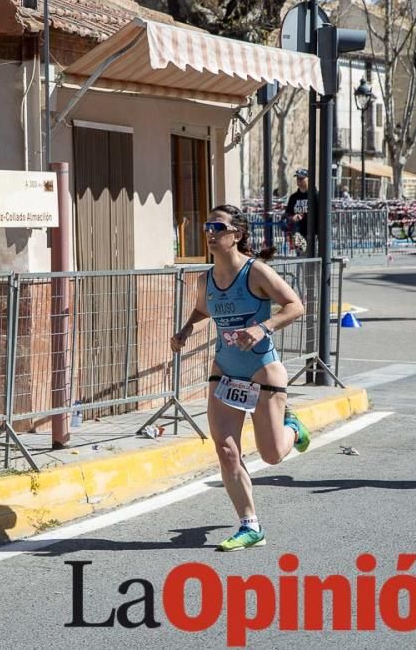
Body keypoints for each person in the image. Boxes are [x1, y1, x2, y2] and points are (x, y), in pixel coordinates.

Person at [170, 204, 311, 551]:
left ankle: (293, 427)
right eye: (207, 227)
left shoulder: (256, 272)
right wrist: (187, 329)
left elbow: (295, 305)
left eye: (218, 227)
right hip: (225, 370)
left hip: (262, 368)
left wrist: (263, 328)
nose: (210, 233)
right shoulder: (205, 279)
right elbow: (205, 307)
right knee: (226, 449)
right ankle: (250, 525)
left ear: (238, 234)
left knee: (272, 455)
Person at [285, 168, 315, 255]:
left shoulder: (314, 195)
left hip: (311, 233)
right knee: (301, 256)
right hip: (298, 233)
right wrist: (292, 217)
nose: (299, 181)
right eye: (298, 179)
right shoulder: (293, 197)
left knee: (311, 257)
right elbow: (288, 213)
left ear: (308, 179)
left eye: (302, 178)